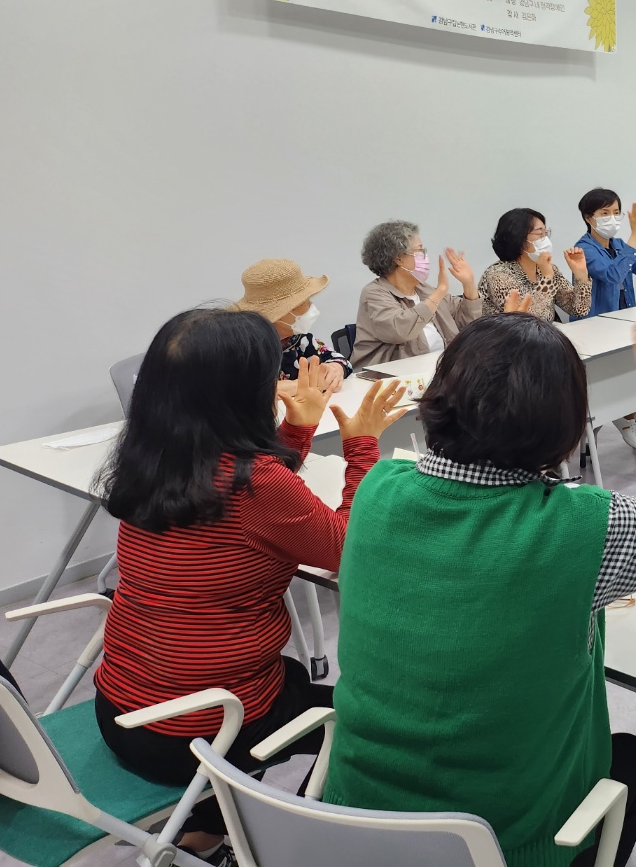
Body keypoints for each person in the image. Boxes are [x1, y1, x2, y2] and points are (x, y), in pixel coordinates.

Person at [322, 300, 636, 867]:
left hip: (350, 828)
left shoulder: (377, 487)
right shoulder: (580, 527)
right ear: (565, 426)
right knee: (631, 761)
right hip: (505, 847)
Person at [92, 308, 407, 863]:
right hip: (197, 729)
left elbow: (248, 510)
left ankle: (205, 832)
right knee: (363, 723)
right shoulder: (256, 482)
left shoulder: (152, 459)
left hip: (123, 706)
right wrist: (361, 446)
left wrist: (297, 432)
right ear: (242, 395)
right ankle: (286, 843)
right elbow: (345, 548)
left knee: (289, 678)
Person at [576, 187, 636, 451]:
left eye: (617, 212)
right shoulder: (583, 249)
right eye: (605, 213)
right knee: (618, 374)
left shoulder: (619, 246)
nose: (613, 218)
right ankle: (624, 417)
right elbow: (611, 275)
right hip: (595, 328)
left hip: (623, 323)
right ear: (588, 218)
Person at [351, 220, 483, 368]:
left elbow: (469, 324)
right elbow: (400, 330)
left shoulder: (424, 289)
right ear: (399, 258)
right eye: (420, 250)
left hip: (439, 370)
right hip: (389, 377)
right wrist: (440, 291)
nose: (425, 256)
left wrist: (468, 284)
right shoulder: (373, 294)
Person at [231, 258, 352, 395]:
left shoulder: (299, 339)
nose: (311, 307)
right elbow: (242, 392)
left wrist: (335, 369)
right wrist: (305, 384)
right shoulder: (242, 348)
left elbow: (340, 360)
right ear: (280, 314)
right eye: (304, 303)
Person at [480, 207, 593, 321]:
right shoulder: (498, 275)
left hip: (541, 332)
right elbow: (526, 321)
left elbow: (579, 309)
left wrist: (581, 275)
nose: (546, 240)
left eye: (546, 233)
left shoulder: (546, 268)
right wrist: (547, 278)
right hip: (507, 332)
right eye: (540, 234)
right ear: (518, 238)